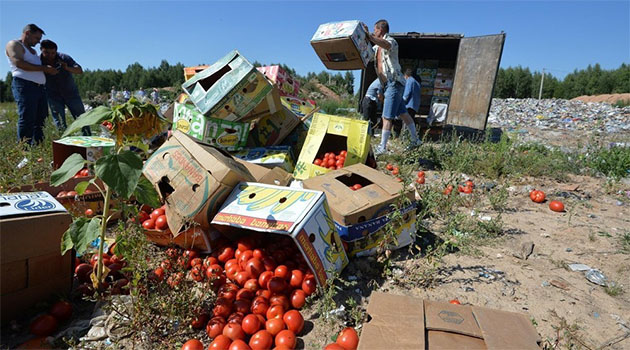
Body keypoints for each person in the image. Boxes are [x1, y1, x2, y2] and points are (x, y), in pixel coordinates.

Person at [363, 20, 421, 155]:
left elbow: (386, 45)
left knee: (386, 116)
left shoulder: (391, 42)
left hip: (394, 82)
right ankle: (416, 140)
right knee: (403, 113)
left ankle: (382, 148)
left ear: (380, 30)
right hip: (387, 84)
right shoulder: (376, 48)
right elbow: (368, 55)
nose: (373, 32)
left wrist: (370, 37)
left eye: (375, 30)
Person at [5, 24, 58, 145]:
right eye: (36, 38)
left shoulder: (33, 51)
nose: (38, 42)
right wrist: (44, 68)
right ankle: (24, 149)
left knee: (41, 119)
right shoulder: (14, 44)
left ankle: (38, 145)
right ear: (27, 33)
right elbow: (19, 63)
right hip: (24, 85)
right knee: (27, 118)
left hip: (39, 88)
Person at [40, 39, 90, 135]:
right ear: (41, 50)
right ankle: (64, 144)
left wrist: (66, 68)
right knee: (60, 123)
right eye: (47, 53)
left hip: (71, 94)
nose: (50, 56)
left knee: (82, 119)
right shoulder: (38, 61)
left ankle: (88, 141)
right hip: (53, 96)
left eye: (53, 53)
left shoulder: (64, 57)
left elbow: (79, 70)